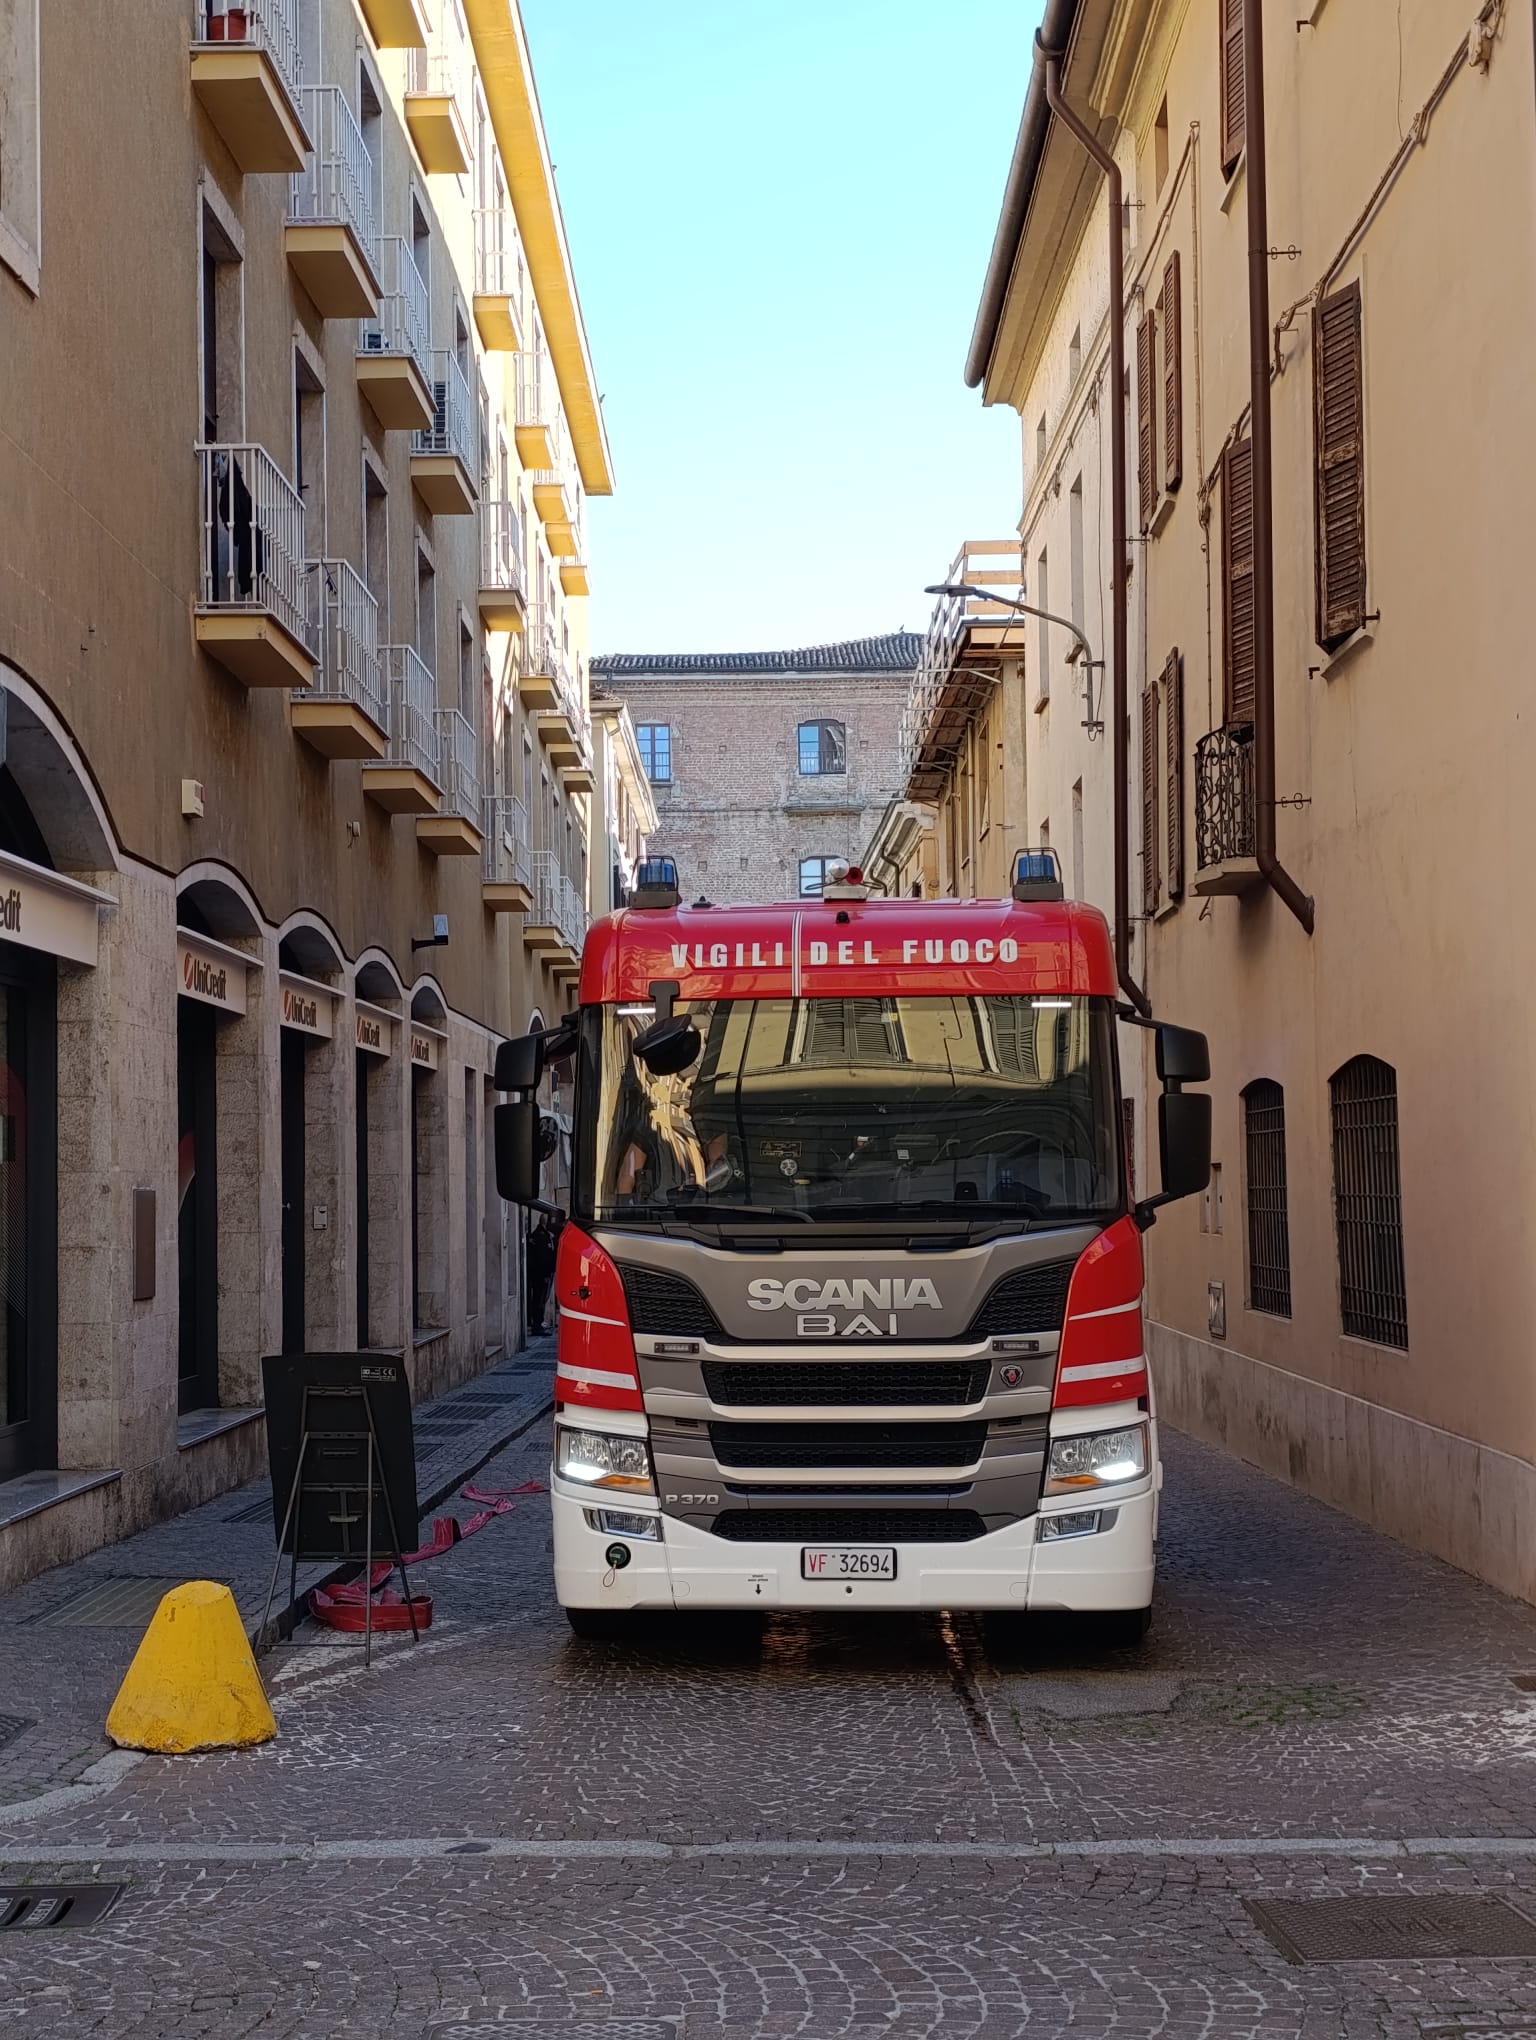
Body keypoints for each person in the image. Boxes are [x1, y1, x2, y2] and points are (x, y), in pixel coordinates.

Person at [525, 1212, 557, 1338]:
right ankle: (537, 1325)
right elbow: (543, 1258)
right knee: (539, 1300)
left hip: (543, 1273)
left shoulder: (545, 1235)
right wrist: (546, 1272)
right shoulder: (540, 1236)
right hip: (541, 1274)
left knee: (541, 1299)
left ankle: (539, 1323)